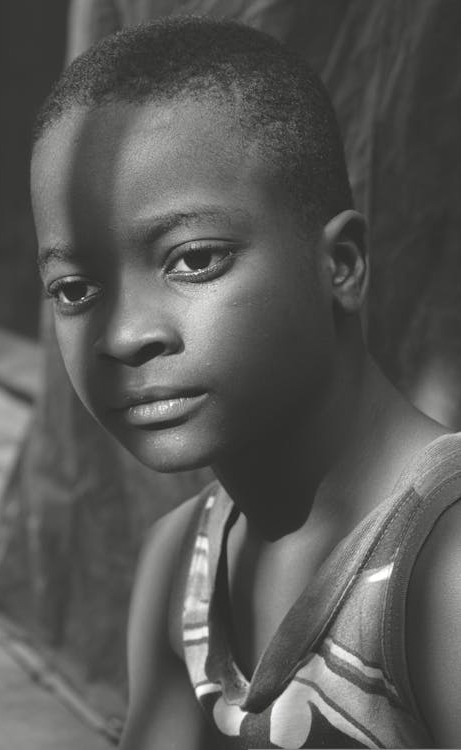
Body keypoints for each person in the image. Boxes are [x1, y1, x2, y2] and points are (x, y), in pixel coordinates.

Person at [30, 17, 461, 749]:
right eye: (74, 290)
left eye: (194, 260)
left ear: (343, 265)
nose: (125, 334)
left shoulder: (441, 568)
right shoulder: (182, 561)